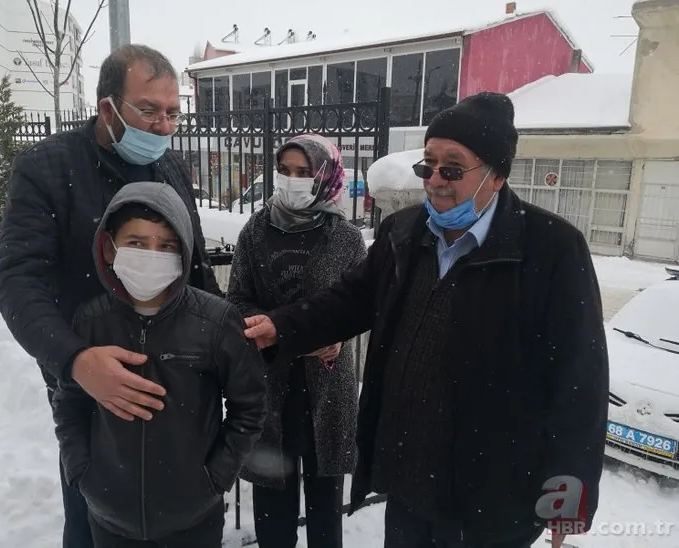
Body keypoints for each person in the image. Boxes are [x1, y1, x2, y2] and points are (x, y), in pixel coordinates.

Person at [242, 92, 609, 548]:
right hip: (411, 484)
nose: (435, 180)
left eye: (452, 168)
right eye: (427, 165)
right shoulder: (404, 232)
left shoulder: (551, 250)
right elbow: (348, 300)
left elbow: (580, 386)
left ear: (495, 175)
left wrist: (567, 503)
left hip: (495, 497)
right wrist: (284, 327)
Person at [0, 44, 222, 547]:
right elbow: (16, 278)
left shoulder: (171, 168)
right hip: (94, 388)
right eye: (148, 110)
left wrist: (227, 342)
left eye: (172, 113)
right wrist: (74, 361)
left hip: (177, 380)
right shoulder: (48, 167)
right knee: (94, 521)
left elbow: (196, 267)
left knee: (181, 518)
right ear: (107, 108)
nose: (163, 126)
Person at [52, 181, 267, 548]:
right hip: (110, 517)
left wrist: (215, 477)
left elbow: (250, 406)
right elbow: (70, 402)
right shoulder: (91, 321)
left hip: (193, 517)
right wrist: (82, 471)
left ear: (183, 253)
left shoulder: (215, 322)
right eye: (136, 243)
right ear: (109, 247)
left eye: (166, 246)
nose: (152, 255)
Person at [227, 134, 367, 548]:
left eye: (304, 173)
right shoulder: (256, 229)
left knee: (326, 515)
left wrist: (338, 336)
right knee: (274, 514)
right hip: (271, 386)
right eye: (285, 170)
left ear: (324, 176)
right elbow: (237, 298)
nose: (292, 180)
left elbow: (359, 303)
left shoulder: (345, 237)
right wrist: (275, 328)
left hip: (327, 389)